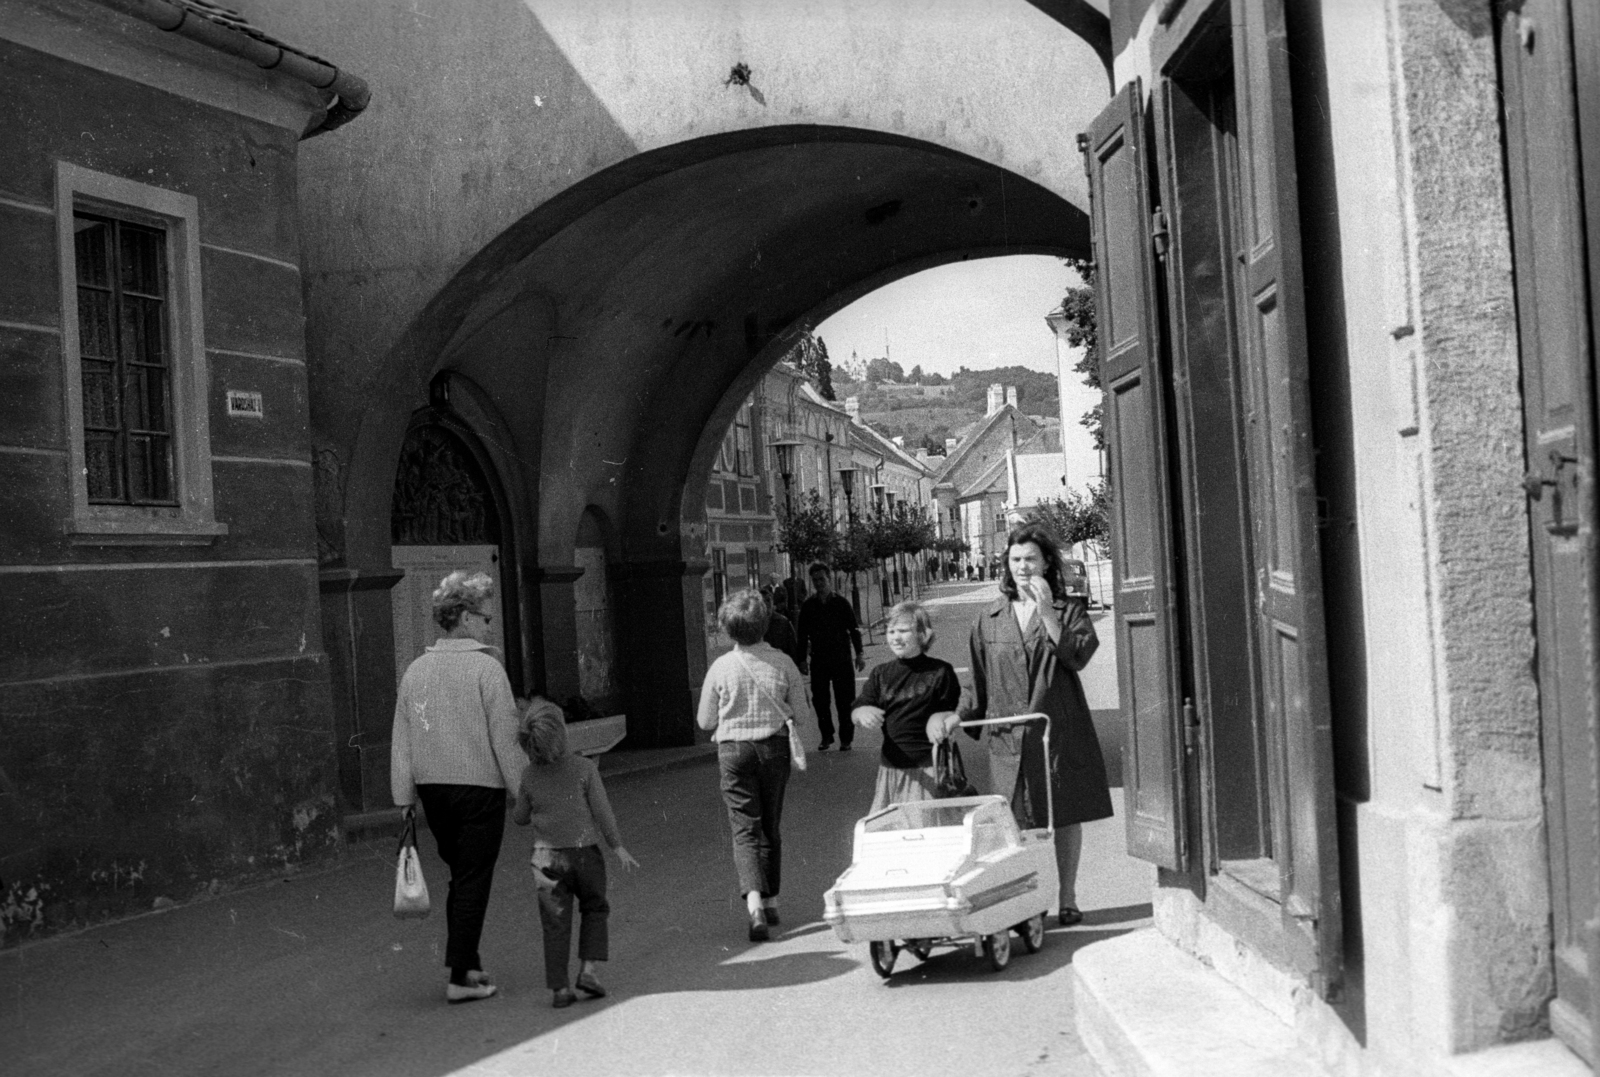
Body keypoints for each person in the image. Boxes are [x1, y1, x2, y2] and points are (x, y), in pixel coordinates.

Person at [932, 521, 1112, 927]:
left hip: (1056, 731)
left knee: (1063, 815)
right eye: (1015, 559)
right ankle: (1028, 903)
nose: (1023, 567)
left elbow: (1077, 657)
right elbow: (976, 685)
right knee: (1015, 824)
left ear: (1047, 563)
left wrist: (1048, 611)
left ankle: (1067, 897)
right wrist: (956, 717)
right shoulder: (989, 618)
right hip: (1008, 736)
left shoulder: (1071, 612)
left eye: (1031, 558)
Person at [391, 570, 525, 1003]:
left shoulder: (415, 671)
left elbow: (402, 738)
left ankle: (466, 964)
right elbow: (504, 739)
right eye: (486, 618)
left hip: (434, 791)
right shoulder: (487, 669)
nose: (490, 626)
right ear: (466, 618)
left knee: (459, 877)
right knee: (472, 879)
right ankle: (459, 976)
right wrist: (526, 792)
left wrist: (403, 798)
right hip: (479, 789)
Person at [512, 698, 641, 1009]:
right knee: (595, 908)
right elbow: (602, 811)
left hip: (546, 859)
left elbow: (519, 816)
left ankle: (560, 989)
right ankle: (588, 971)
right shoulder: (584, 768)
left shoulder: (529, 775)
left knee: (554, 923)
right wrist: (617, 845)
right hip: (585, 853)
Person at [697, 589, 810, 941]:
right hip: (774, 748)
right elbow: (803, 716)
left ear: (728, 629)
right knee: (770, 825)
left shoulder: (720, 667)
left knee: (744, 829)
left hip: (733, 751)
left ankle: (755, 905)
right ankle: (773, 900)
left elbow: (704, 721)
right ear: (766, 625)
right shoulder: (783, 663)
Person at [851, 601, 962, 812]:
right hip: (891, 768)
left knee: (924, 831)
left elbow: (955, 709)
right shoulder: (880, 674)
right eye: (891, 631)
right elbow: (860, 705)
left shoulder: (940, 671)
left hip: (929, 767)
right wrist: (861, 713)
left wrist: (941, 717)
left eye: (903, 631)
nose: (895, 637)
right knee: (889, 833)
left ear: (923, 634)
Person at [795, 561, 864, 750]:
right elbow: (802, 635)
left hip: (841, 658)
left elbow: (854, 629)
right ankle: (826, 736)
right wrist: (802, 659)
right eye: (815, 580)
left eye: (821, 579)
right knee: (821, 701)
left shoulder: (841, 603)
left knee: (845, 700)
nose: (818, 583)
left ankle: (846, 739)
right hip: (819, 660)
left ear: (829, 579)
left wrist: (859, 653)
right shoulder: (809, 607)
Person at [762, 585, 800, 664]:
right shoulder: (754, 624)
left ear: (773, 602)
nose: (766, 604)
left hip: (781, 663)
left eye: (768, 600)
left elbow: (792, 647)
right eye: (762, 602)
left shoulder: (783, 622)